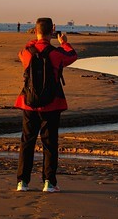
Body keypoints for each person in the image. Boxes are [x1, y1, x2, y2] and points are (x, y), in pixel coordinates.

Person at [15, 17, 77, 193]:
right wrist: (64, 43)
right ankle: (49, 182)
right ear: (52, 31)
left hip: (30, 103)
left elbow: (22, 52)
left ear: (36, 31)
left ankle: (22, 182)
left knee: (27, 142)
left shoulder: (27, 52)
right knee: (50, 143)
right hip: (52, 104)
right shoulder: (56, 53)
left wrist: (35, 40)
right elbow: (72, 56)